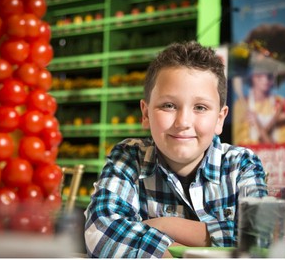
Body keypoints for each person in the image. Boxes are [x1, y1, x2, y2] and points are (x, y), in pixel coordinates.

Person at [84, 41, 266, 258]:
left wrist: (163, 225)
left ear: (220, 119)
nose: (183, 122)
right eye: (169, 105)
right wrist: (170, 252)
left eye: (200, 107)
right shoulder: (128, 156)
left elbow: (261, 241)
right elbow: (100, 230)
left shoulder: (242, 164)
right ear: (146, 113)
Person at [232, 23, 285, 145]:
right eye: (259, 69)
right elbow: (243, 151)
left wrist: (271, 121)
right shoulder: (239, 107)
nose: (265, 76)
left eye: (270, 69)